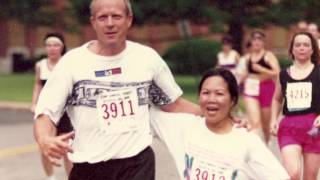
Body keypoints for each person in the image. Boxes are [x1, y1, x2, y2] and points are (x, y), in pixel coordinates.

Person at [33, 0, 200, 180]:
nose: (110, 23)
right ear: (93, 22)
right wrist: (44, 139)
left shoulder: (147, 59)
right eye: (103, 17)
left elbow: (173, 103)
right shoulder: (72, 62)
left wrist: (219, 116)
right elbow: (46, 112)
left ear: (129, 20)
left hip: (136, 164)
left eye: (116, 16)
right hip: (89, 167)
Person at [151, 68, 290, 180]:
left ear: (233, 100)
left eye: (219, 94)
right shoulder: (184, 126)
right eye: (205, 93)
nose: (211, 99)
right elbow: (143, 112)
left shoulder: (247, 141)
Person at [270, 32, 320, 180]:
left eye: (306, 45)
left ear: (312, 50)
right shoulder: (284, 74)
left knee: (310, 178)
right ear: (292, 50)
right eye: (297, 45)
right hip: (289, 127)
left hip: (314, 129)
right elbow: (276, 99)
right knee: (292, 173)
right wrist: (273, 119)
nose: (302, 48)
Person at [31, 32, 73, 180]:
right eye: (48, 45)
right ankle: (50, 178)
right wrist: (34, 103)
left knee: (68, 149)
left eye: (56, 45)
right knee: (45, 146)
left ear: (62, 47)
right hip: (47, 112)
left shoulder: (68, 64)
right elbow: (37, 85)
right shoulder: (40, 65)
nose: (52, 48)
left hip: (65, 112)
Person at [242, 31, 280, 143]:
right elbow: (244, 74)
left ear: (263, 42)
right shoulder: (247, 57)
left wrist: (262, 69)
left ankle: (266, 145)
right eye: (254, 39)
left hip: (266, 89)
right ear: (251, 42)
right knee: (255, 122)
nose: (257, 42)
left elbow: (277, 72)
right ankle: (257, 150)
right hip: (250, 90)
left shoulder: (268, 55)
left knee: (265, 125)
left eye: (259, 39)